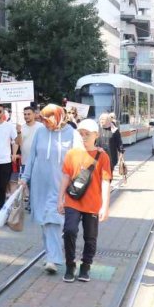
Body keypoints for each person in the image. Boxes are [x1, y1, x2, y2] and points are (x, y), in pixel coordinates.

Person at [20, 105, 79, 275]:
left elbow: (77, 160)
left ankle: (53, 258)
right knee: (45, 221)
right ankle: (50, 255)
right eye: (43, 120)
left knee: (52, 220)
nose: (46, 124)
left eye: (49, 120)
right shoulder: (40, 132)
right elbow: (32, 158)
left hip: (60, 184)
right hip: (39, 185)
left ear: (59, 117)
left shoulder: (71, 133)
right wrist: (25, 178)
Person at [58, 119, 111, 282]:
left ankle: (86, 266)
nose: (84, 137)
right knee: (69, 231)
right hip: (73, 200)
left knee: (90, 237)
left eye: (87, 134)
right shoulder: (72, 153)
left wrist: (105, 206)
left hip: (92, 203)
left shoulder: (103, 156)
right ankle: (70, 264)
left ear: (96, 135)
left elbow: (105, 181)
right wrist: (60, 198)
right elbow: (66, 176)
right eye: (81, 134)